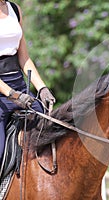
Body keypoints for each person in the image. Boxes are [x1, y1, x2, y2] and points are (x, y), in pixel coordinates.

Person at [0, 0, 56, 160]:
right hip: (4, 95)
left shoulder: (15, 10)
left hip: (19, 87)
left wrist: (42, 88)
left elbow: (24, 57)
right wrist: (12, 94)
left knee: (49, 132)